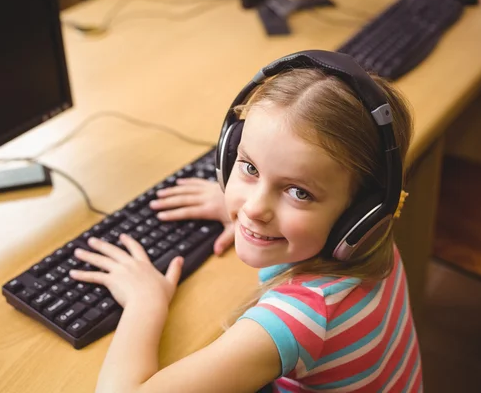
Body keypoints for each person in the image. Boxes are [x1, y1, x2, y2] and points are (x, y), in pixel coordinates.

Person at [69, 51, 423, 392]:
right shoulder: (369, 248)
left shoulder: (301, 319)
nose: (253, 209)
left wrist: (145, 302)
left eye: (298, 192)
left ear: (358, 216)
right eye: (250, 168)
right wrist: (235, 207)